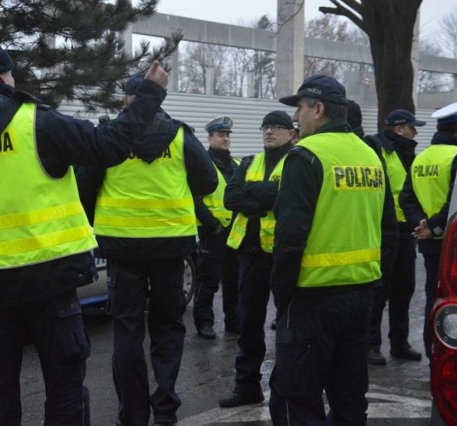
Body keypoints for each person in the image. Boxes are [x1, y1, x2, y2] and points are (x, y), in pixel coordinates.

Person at [0, 42, 170, 425]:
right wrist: (149, 94)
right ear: (4, 76)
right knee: (64, 387)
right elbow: (110, 145)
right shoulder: (37, 122)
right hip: (51, 281)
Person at [77, 73, 217, 426]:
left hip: (123, 249)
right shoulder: (181, 135)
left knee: (127, 330)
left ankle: (134, 413)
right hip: (172, 247)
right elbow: (209, 181)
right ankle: (166, 407)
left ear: (128, 100)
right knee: (168, 326)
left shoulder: (109, 137)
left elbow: (84, 189)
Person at [270, 75, 392, 424]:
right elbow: (388, 231)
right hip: (360, 295)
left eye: (300, 109)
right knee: (350, 396)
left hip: (312, 297)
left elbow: (290, 237)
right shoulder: (370, 155)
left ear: (318, 109)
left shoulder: (306, 155)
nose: (295, 118)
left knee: (300, 398)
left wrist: (283, 294)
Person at [218, 110, 296, 408]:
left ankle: (285, 387)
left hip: (283, 254)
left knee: (288, 325)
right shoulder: (250, 161)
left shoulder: (298, 160)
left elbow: (289, 196)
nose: (269, 132)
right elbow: (230, 198)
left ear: (292, 133)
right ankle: (246, 387)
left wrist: (253, 192)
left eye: (277, 127)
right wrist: (267, 194)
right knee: (249, 324)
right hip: (250, 255)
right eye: (266, 127)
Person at [400, 100, 457, 359]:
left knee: (433, 296)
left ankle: (433, 351)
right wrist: (435, 226)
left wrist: (422, 224)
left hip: (428, 241)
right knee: (455, 300)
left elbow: (406, 198)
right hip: (452, 240)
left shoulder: (420, 159)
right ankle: (449, 352)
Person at [365, 109, 426, 365]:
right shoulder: (377, 148)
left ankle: (399, 343)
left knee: (404, 288)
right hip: (383, 231)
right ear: (400, 128)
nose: (416, 132)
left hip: (405, 232)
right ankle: (371, 346)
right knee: (379, 290)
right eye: (413, 127)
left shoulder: (408, 153)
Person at [193, 116, 240, 340]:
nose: (225, 138)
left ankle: (233, 320)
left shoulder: (237, 165)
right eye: (220, 135)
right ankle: (204, 322)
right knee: (208, 281)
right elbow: (195, 199)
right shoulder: (202, 164)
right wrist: (212, 226)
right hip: (213, 232)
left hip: (235, 233)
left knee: (234, 279)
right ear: (210, 137)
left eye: (227, 135)